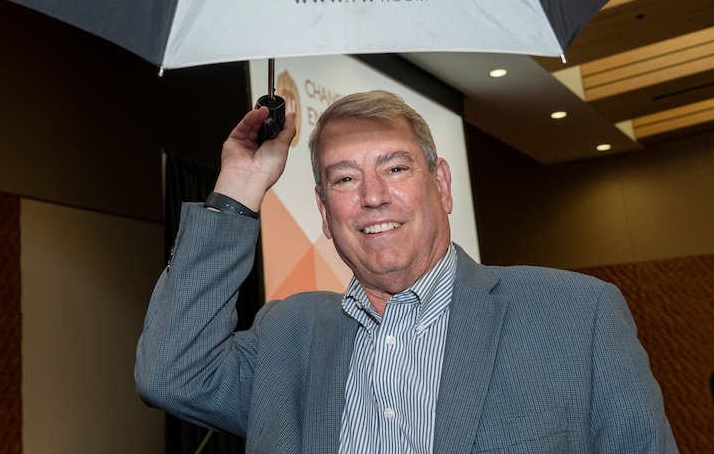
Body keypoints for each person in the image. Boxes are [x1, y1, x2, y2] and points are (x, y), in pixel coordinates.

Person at [136, 90, 678, 453]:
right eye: (345, 180)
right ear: (324, 214)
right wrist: (239, 185)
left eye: (395, 168)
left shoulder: (577, 316)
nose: (373, 197)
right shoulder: (288, 334)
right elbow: (170, 375)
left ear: (440, 185)